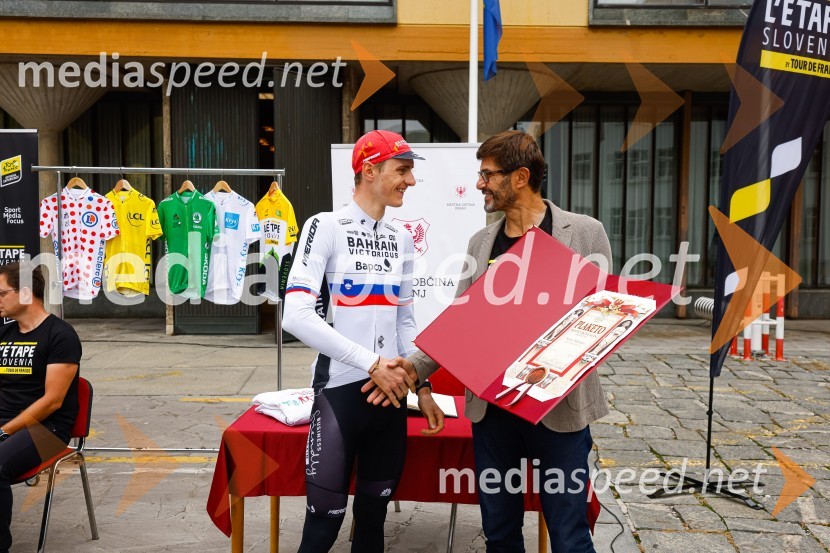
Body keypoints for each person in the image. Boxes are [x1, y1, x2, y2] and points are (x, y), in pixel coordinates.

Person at [373, 130, 613, 552]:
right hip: (494, 412)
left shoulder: (585, 233)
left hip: (559, 411)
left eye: (488, 175)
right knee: (500, 534)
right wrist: (414, 367)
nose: (480, 184)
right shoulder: (480, 242)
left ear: (520, 177)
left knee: (570, 535)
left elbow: (598, 318)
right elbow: (458, 325)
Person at [283, 130, 445, 553]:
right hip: (341, 393)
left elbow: (405, 322)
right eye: (402, 170)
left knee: (373, 524)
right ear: (369, 171)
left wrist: (422, 387)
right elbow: (296, 316)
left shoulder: (402, 238)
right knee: (322, 527)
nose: (410, 181)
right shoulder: (325, 226)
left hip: (391, 395)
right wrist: (373, 363)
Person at [0, 262, 82, 553]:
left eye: (1, 294)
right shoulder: (4, 333)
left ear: (25, 293)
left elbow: (53, 401)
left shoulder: (60, 336)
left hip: (48, 429)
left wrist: (3, 430)